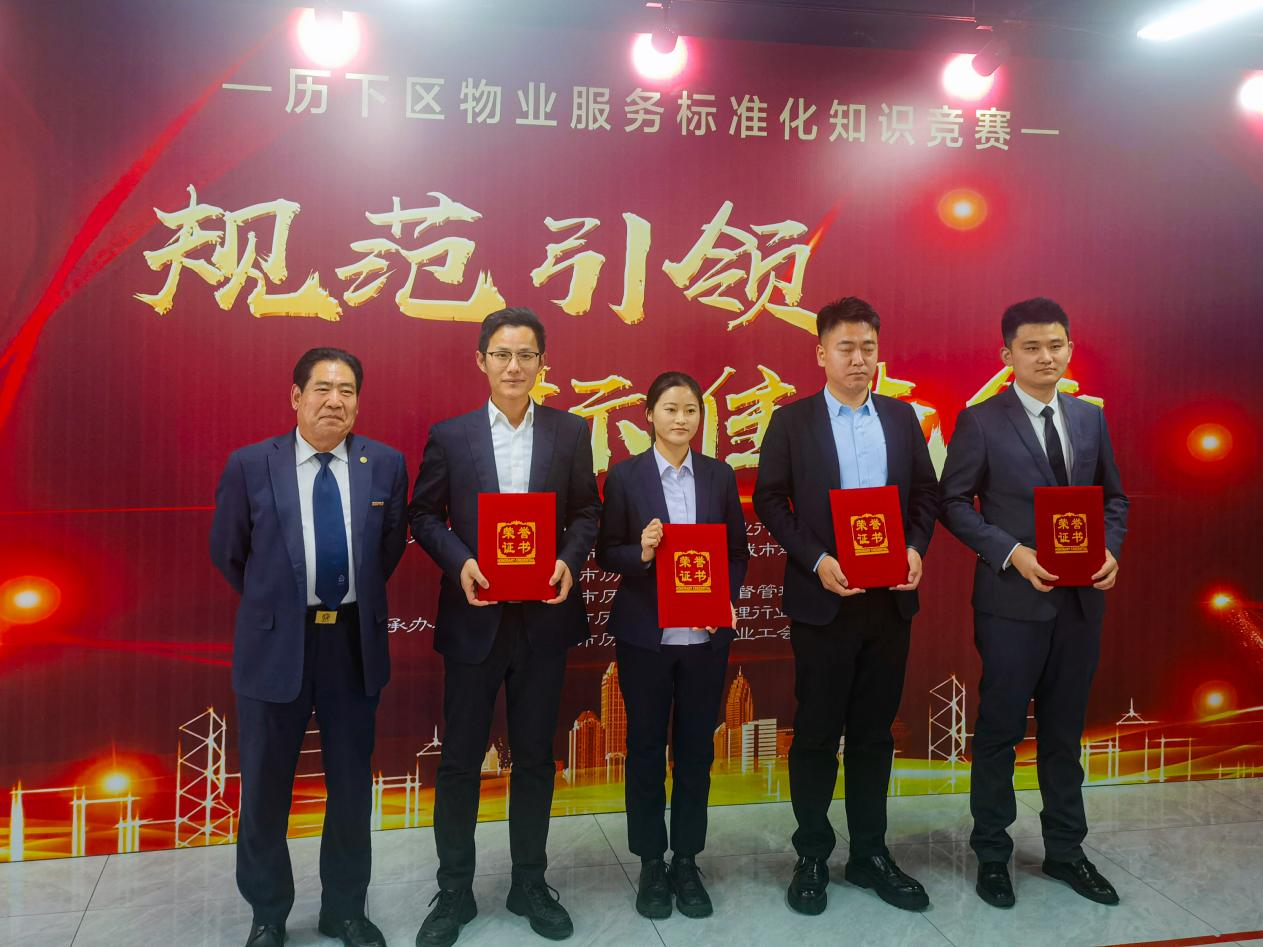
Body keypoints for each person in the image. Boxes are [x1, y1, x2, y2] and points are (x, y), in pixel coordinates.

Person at [409, 307, 600, 946]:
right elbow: (423, 514)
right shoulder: (451, 435)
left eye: (526, 355)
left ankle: (529, 883)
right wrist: (460, 561)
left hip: (543, 619)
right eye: (501, 354)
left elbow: (587, 513)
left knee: (537, 759)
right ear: (481, 361)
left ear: (542, 362)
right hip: (475, 618)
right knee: (461, 761)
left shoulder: (570, 432)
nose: (514, 366)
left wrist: (568, 560)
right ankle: (454, 891)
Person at [210, 348, 409, 947]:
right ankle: (268, 913)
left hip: (351, 643)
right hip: (276, 644)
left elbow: (387, 551)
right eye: (322, 388)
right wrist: (278, 605)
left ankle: (344, 910)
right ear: (296, 397)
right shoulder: (251, 465)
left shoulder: (385, 464)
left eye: (347, 391)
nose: (334, 401)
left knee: (350, 788)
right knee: (265, 789)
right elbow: (229, 552)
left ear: (358, 403)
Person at [752, 297, 939, 916]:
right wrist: (816, 560)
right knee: (815, 733)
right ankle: (811, 854)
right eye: (845, 348)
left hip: (889, 603)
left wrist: (914, 548)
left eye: (868, 348)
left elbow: (926, 495)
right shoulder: (792, 422)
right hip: (823, 600)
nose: (859, 359)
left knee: (873, 734)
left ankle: (870, 854)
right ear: (821, 354)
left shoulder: (902, 417)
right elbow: (771, 500)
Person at [939, 297, 1128, 908]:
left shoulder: (1089, 419)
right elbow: (952, 504)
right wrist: (1012, 552)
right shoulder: (981, 421)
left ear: (1070, 348)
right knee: (998, 732)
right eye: (1032, 348)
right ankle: (993, 854)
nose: (1046, 357)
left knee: (1064, 733)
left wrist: (1110, 551)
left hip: (1080, 605)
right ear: (1008, 355)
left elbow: (1114, 499)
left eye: (1056, 345)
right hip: (1011, 605)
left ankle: (1067, 851)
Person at [595, 371, 750, 920]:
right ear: (649, 415)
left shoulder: (718, 475)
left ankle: (686, 859)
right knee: (644, 751)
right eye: (670, 409)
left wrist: (723, 597)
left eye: (690, 410)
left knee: (695, 752)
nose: (681, 419)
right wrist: (640, 551)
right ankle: (650, 863)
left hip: (705, 638)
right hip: (647, 638)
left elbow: (737, 551)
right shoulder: (625, 477)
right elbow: (605, 552)